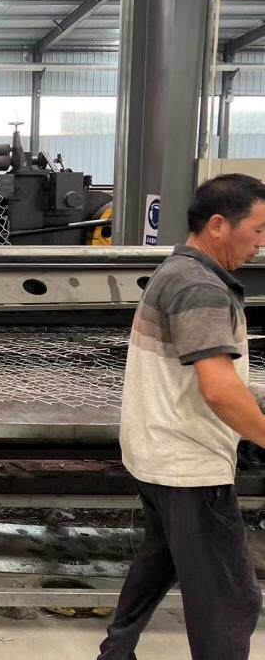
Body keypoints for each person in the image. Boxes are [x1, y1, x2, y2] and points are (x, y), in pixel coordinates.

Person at [98, 174, 265, 660]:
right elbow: (219, 390)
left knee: (161, 559)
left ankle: (116, 652)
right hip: (189, 467)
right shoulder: (200, 287)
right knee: (231, 602)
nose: (260, 243)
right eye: (257, 231)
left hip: (153, 453)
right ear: (218, 225)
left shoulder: (175, 270)